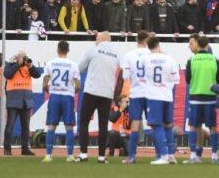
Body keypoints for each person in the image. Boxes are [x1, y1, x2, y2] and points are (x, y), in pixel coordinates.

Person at [77, 32, 122, 163]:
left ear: (103, 39)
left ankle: (83, 154)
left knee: (84, 122)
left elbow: (81, 67)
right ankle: (101, 156)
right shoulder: (115, 55)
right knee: (103, 126)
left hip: (92, 90)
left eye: (97, 38)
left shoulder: (93, 50)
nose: (95, 40)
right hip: (107, 93)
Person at [142, 37, 181, 165]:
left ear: (148, 47)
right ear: (159, 45)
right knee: (168, 125)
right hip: (167, 95)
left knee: (156, 125)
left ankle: (163, 155)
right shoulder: (169, 59)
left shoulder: (145, 59)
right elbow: (176, 79)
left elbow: (142, 78)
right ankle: (170, 155)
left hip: (154, 96)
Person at [184, 35, 219, 163]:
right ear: (208, 45)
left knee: (194, 126)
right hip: (210, 97)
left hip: (195, 97)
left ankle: (194, 155)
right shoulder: (215, 59)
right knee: (213, 127)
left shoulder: (191, 59)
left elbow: (187, 79)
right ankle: (214, 155)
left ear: (198, 44)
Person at [42, 40, 80, 163]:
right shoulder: (73, 64)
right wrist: (71, 91)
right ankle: (69, 156)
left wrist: (49, 90)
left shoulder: (50, 63)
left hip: (55, 96)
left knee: (51, 125)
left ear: (57, 50)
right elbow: (78, 84)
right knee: (69, 126)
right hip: (67, 96)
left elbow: (45, 81)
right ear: (68, 51)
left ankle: (48, 155)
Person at [3, 50, 41, 156]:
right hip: (13, 100)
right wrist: (17, 64)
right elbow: (7, 74)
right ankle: (7, 148)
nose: (24, 59)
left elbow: (38, 75)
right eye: (22, 57)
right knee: (10, 125)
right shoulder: (10, 66)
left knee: (25, 127)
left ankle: (25, 149)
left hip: (26, 101)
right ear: (17, 58)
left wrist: (30, 65)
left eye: (25, 57)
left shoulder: (28, 67)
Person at [120, 30, 150, 164]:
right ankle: (162, 154)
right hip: (151, 93)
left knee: (135, 124)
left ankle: (132, 156)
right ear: (146, 40)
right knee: (155, 124)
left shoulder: (128, 55)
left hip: (136, 92)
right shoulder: (152, 54)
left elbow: (125, 76)